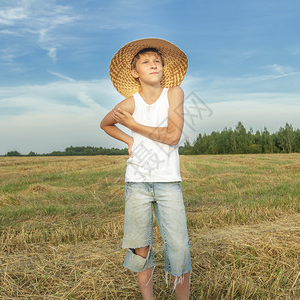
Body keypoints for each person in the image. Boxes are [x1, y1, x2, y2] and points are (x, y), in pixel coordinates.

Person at [100, 38, 191, 299]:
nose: (153, 65)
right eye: (146, 61)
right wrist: (129, 140)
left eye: (158, 61)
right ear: (134, 71)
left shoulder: (174, 93)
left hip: (168, 182)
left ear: (164, 69)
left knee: (179, 248)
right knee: (141, 248)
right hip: (137, 182)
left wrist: (134, 127)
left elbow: (173, 136)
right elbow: (105, 124)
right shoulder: (130, 103)